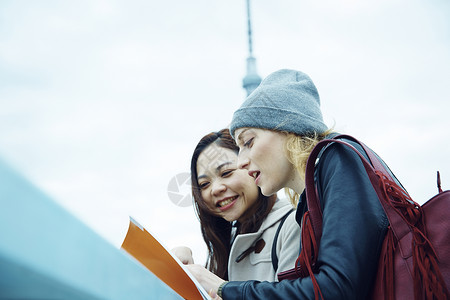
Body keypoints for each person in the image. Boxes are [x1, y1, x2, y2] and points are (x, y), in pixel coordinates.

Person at [186, 69, 390, 299]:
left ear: (287, 128)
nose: (242, 161)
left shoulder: (338, 157)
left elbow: (336, 290)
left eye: (248, 141)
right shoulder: (311, 199)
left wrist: (224, 289)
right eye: (203, 184)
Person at [176, 129, 300, 283]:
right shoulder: (225, 243)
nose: (215, 189)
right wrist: (183, 268)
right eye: (204, 184)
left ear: (251, 166)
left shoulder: (294, 223)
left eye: (226, 173)